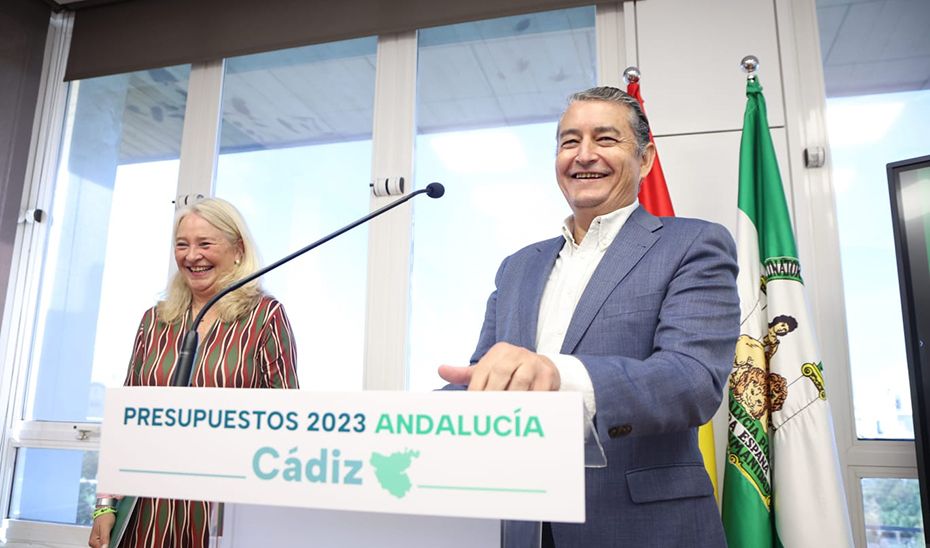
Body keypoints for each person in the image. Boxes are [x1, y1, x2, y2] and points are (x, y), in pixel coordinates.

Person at [439, 87, 739, 547]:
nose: (584, 155)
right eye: (569, 141)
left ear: (646, 159)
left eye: (605, 139)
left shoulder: (694, 245)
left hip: (646, 528)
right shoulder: (517, 267)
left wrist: (556, 374)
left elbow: (693, 382)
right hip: (525, 525)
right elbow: (487, 380)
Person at [88, 198, 298, 548]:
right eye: (182, 244)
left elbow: (287, 419)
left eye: (205, 244)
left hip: (224, 508)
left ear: (237, 249)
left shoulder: (265, 316)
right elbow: (127, 420)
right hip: (147, 508)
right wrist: (104, 505)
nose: (191, 256)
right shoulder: (154, 320)